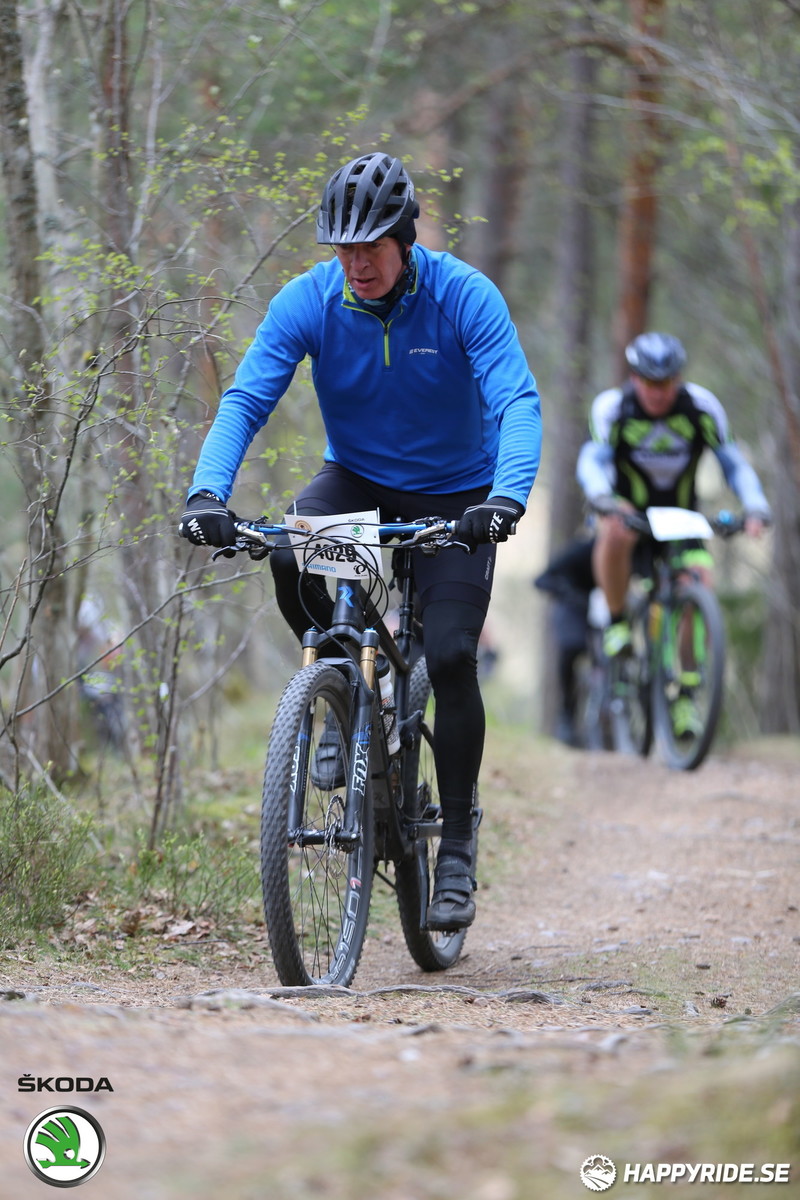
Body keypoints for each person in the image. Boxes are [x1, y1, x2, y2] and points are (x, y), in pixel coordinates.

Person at [179, 152, 542, 931]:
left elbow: (516, 400)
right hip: (359, 485)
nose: (357, 264)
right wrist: (207, 492)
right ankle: (344, 693)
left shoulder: (462, 296)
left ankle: (455, 846)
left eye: (371, 247)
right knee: (288, 550)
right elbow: (246, 398)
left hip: (459, 498)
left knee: (448, 656)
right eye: (343, 249)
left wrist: (505, 499)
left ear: (406, 237)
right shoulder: (309, 302)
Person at [576, 331, 771, 732]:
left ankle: (686, 696)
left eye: (665, 383)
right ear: (634, 378)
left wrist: (755, 505)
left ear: (677, 380)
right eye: (649, 382)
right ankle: (616, 623)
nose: (658, 392)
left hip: (682, 518)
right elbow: (592, 460)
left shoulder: (700, 407)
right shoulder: (615, 408)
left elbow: (733, 463)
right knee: (612, 527)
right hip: (629, 513)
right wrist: (600, 496)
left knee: (699, 582)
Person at [534, 537, 597, 748]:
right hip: (573, 610)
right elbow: (541, 579)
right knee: (571, 649)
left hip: (600, 610)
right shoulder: (582, 551)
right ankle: (567, 717)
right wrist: (569, 593)